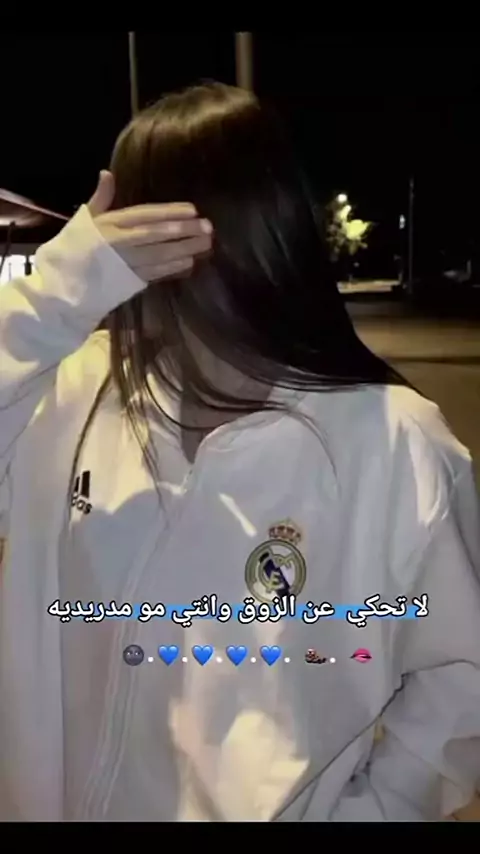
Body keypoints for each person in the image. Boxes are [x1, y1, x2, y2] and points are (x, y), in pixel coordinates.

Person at [0, 82, 479, 822]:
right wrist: (60, 289)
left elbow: (462, 681)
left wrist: (375, 811)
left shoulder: (392, 443)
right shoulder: (68, 395)